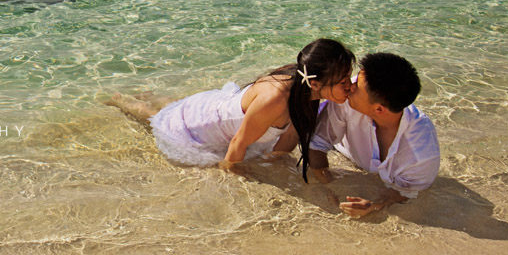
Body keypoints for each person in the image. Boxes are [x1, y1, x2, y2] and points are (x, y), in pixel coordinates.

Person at [107, 38, 356, 181]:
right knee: (156, 119)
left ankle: (148, 95)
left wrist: (275, 167)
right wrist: (229, 178)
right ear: (315, 83)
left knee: (171, 106)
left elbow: (290, 136)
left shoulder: (306, 90)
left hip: (222, 111)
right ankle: (121, 100)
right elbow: (238, 143)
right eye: (343, 81)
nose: (349, 86)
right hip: (204, 124)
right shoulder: (275, 99)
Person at [309, 52, 440, 218]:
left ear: (379, 109)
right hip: (337, 143)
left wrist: (376, 205)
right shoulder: (347, 99)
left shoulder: (421, 156)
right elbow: (317, 143)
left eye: (357, 86)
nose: (350, 86)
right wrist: (331, 186)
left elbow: (409, 191)